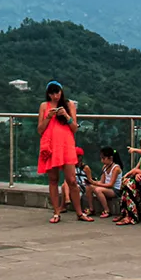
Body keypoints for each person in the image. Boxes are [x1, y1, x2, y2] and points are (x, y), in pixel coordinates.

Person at [38, 81, 92, 223]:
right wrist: (48, 117)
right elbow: (39, 130)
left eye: (57, 92)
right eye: (52, 93)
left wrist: (66, 116)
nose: (55, 96)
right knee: (53, 180)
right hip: (50, 145)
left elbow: (74, 128)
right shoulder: (44, 106)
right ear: (48, 94)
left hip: (66, 145)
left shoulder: (69, 105)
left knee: (72, 180)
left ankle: (79, 212)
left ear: (61, 92)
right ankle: (56, 212)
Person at [85, 147, 123, 218]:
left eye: (103, 158)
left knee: (97, 190)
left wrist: (95, 183)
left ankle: (107, 210)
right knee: (88, 187)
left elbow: (110, 184)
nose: (102, 161)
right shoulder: (104, 167)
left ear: (110, 158)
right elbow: (102, 181)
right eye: (101, 158)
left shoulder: (116, 168)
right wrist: (92, 182)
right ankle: (91, 208)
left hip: (115, 190)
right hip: (107, 188)